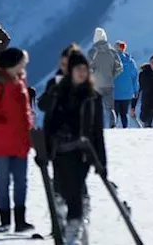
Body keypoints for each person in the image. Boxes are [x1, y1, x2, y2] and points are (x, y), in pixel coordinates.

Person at [43, 50, 107, 245]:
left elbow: (97, 132)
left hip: (82, 152)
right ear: (70, 71)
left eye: (85, 69)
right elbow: (48, 123)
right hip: (60, 150)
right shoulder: (59, 92)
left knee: (76, 188)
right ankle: (70, 225)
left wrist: (102, 162)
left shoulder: (93, 97)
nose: (82, 73)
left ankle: (74, 230)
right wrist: (44, 152)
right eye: (78, 69)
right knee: (62, 188)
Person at [0, 47, 38, 234]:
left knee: (21, 181)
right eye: (22, 62)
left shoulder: (20, 80)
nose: (24, 65)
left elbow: (25, 111)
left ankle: (20, 221)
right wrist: (4, 129)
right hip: (1, 144)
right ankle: (5, 221)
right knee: (4, 181)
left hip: (19, 141)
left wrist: (29, 132)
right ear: (13, 64)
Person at [87, 28, 123, 128]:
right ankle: (112, 124)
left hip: (95, 85)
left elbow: (88, 68)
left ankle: (94, 126)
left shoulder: (92, 52)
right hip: (109, 84)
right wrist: (111, 75)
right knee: (110, 108)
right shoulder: (112, 51)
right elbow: (119, 67)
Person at [38, 44, 81, 114]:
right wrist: (51, 96)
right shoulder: (53, 83)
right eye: (63, 64)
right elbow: (42, 105)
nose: (66, 68)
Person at [112, 41, 140, 128]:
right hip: (127, 93)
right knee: (124, 113)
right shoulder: (130, 61)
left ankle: (113, 130)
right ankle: (125, 129)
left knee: (114, 114)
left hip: (114, 92)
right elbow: (134, 77)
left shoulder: (111, 60)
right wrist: (135, 90)